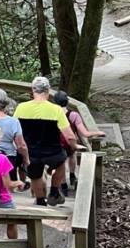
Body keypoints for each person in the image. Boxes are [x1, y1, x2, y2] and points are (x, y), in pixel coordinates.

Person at [14, 76, 80, 206]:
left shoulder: (21, 108)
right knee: (61, 162)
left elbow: (14, 130)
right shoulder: (56, 110)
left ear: (33, 91)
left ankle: (40, 201)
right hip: (53, 152)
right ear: (48, 91)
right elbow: (70, 136)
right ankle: (54, 192)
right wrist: (75, 146)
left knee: (35, 175)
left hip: (31, 152)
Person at [53, 90, 106, 195]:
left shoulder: (52, 115)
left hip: (56, 144)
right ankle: (72, 176)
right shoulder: (73, 115)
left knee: (60, 164)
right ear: (67, 101)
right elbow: (85, 134)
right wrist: (98, 132)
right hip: (70, 142)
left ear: (55, 102)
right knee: (71, 155)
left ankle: (63, 187)